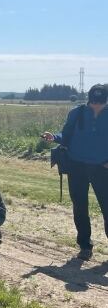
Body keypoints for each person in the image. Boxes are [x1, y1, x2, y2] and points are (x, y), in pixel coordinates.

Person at [42, 83, 108, 260]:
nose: (96, 106)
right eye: (93, 102)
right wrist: (54, 137)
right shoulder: (77, 113)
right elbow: (67, 135)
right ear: (89, 99)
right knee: (80, 207)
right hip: (76, 165)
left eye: (100, 102)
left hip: (102, 168)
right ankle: (85, 246)